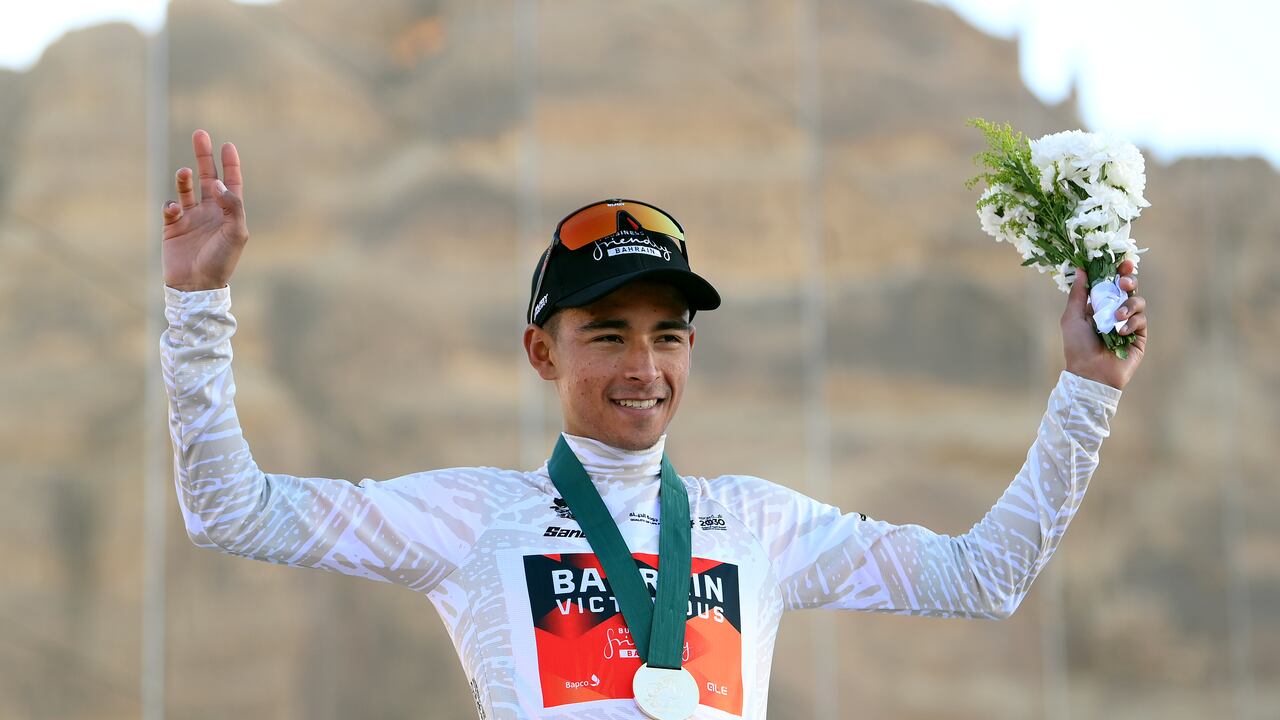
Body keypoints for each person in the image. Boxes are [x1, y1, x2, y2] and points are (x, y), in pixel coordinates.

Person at [159, 129, 1148, 720]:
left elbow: (981, 579)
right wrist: (197, 306)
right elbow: (231, 513)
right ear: (540, 352)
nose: (643, 369)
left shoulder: (757, 525)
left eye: (667, 337)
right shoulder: (471, 517)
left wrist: (1087, 390)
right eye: (606, 336)